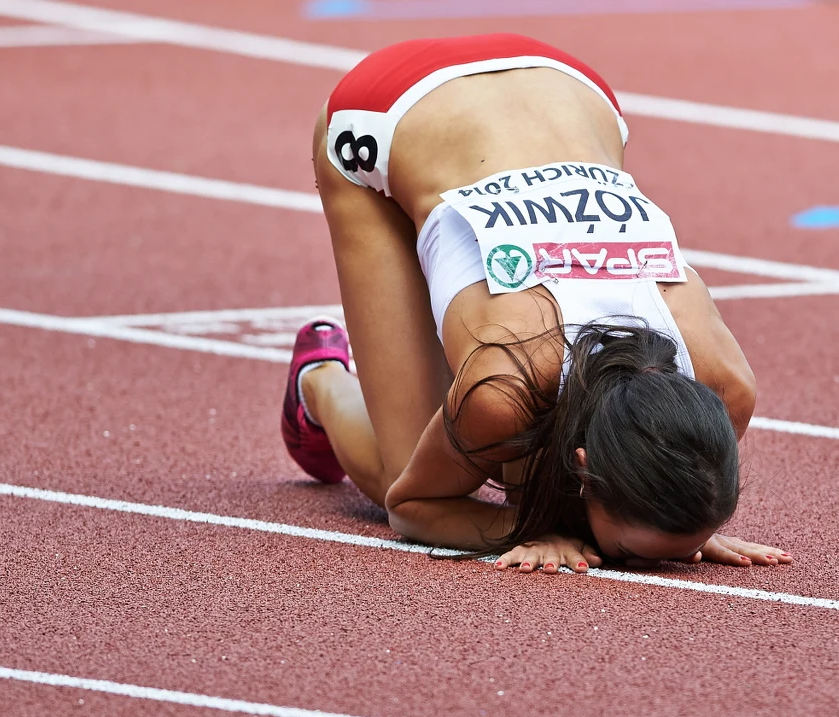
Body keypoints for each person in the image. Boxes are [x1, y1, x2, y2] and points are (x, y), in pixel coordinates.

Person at [280, 33, 791, 574]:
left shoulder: (728, 391)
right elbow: (412, 506)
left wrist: (685, 522)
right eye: (630, 554)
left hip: (568, 87)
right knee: (404, 467)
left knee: (515, 450)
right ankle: (319, 379)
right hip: (386, 111)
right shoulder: (503, 388)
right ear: (585, 469)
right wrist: (527, 528)